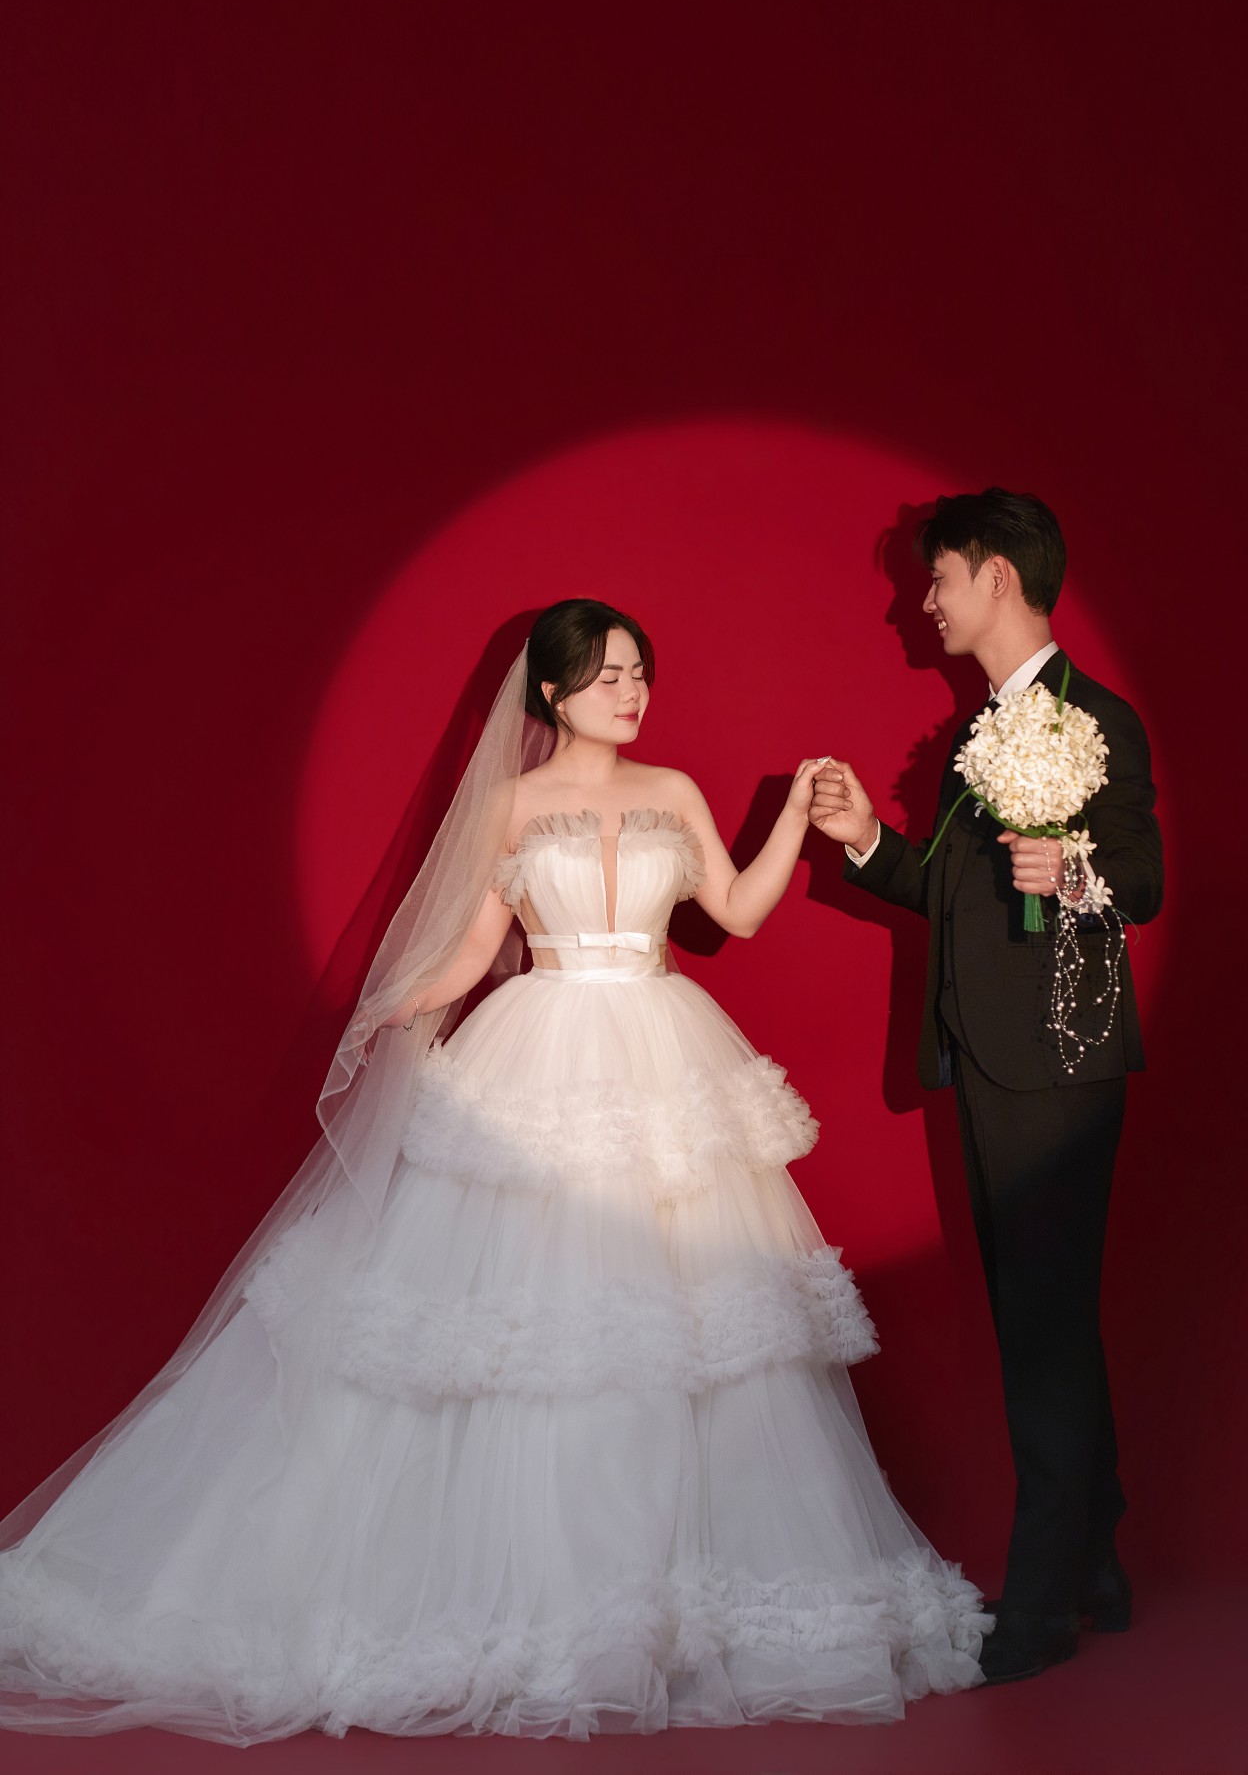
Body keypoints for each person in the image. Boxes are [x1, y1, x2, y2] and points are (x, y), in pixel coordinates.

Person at [0, 598, 987, 1742]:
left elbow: (735, 912)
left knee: (689, 1328)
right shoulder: (511, 805)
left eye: (639, 672)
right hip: (541, 1046)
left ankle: (662, 1603)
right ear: (553, 694)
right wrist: (391, 1007)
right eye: (608, 675)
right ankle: (550, 1604)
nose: (630, 691)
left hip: (663, 1050)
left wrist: (794, 826)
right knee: (532, 1324)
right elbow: (475, 948)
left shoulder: (673, 792)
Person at [810, 492, 1163, 1684]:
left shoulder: (1094, 719)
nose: (924, 602)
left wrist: (1073, 868)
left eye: (939, 578)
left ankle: (1044, 1602)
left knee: (1043, 1324)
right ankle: (1094, 1561)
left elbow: (1143, 878)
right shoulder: (981, 732)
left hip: (1058, 1060)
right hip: (986, 1058)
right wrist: (866, 840)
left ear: (998, 577)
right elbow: (950, 893)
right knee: (1038, 1316)